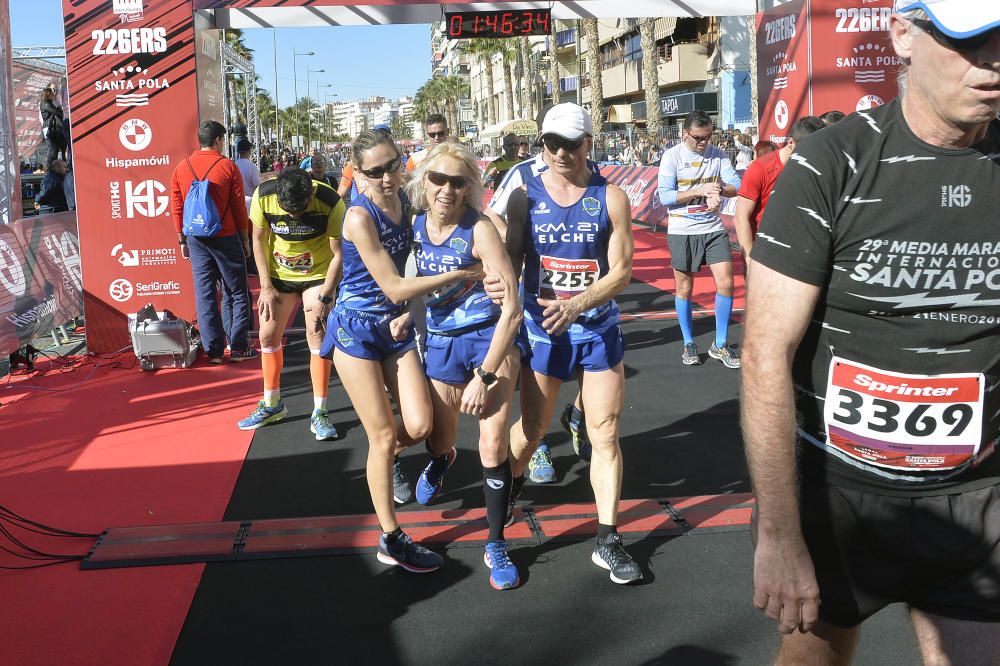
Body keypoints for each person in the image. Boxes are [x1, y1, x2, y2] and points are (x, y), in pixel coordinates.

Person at [743, 3, 1000, 663]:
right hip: (839, 502)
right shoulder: (831, 162)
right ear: (903, 36)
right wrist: (779, 535)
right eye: (968, 42)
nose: (992, 62)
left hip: (975, 502)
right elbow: (766, 352)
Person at [321, 129, 484, 573]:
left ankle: (389, 460)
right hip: (356, 330)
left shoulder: (409, 203)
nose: (387, 177)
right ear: (356, 173)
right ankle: (391, 538)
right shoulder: (358, 215)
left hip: (394, 326)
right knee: (381, 437)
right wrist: (462, 273)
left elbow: (460, 214)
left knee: (419, 424)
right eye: (375, 171)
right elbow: (392, 284)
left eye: (393, 165)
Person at [495, 102, 642, 584]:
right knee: (531, 433)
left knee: (604, 432)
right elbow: (510, 261)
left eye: (569, 144)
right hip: (543, 333)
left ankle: (607, 538)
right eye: (550, 143)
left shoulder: (611, 197)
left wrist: (579, 303)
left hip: (597, 329)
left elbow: (621, 272)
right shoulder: (524, 195)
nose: (559, 152)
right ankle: (510, 485)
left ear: (588, 144)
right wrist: (499, 290)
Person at [406, 142, 523, 589]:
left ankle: (495, 542)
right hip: (440, 342)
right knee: (439, 436)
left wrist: (486, 375)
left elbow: (511, 310)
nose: (447, 190)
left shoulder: (480, 230)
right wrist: (404, 311)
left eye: (459, 182)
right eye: (439, 179)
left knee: (493, 447)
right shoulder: (413, 223)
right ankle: (442, 459)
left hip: (488, 341)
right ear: (424, 181)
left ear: (469, 187)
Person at [237, 168, 344, 440]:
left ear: (310, 194)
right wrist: (265, 286)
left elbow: (339, 254)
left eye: (300, 209)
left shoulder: (330, 201)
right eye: (288, 210)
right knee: (267, 334)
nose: (294, 215)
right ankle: (272, 404)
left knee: (317, 335)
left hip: (317, 275)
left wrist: (325, 296)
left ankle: (320, 411)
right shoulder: (264, 195)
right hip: (278, 276)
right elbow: (258, 240)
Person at [657, 109, 742, 368]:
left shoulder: (717, 155)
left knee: (726, 283)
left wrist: (717, 191)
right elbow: (665, 197)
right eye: (698, 138)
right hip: (683, 230)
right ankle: (688, 342)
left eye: (708, 136)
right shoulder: (672, 157)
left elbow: (735, 184)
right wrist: (698, 190)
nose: (704, 142)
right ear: (685, 134)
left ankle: (720, 344)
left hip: (713, 229)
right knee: (684, 288)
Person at [169, 120, 254, 364]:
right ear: (218, 140)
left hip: (195, 238)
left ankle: (214, 350)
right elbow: (239, 207)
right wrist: (244, 239)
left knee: (205, 293)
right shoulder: (227, 166)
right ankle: (238, 346)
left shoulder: (182, 167)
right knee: (236, 291)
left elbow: (176, 206)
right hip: (226, 235)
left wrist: (181, 239)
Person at [733, 116, 825, 262]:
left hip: (806, 252)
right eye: (808, 149)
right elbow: (740, 217)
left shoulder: (819, 168)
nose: (814, 155)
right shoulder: (760, 168)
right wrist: (750, 261)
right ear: (791, 143)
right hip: (767, 254)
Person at [39, 88, 66, 169]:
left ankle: (63, 168)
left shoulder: (49, 103)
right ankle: (50, 169)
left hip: (56, 130)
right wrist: (58, 108)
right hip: (51, 130)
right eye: (52, 93)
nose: (54, 95)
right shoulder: (46, 104)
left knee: (60, 149)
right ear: (48, 94)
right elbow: (58, 113)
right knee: (52, 151)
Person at [234, 139, 261, 211]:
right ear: (249, 151)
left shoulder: (233, 165)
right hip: (249, 201)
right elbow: (257, 185)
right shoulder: (252, 166)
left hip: (236, 201)